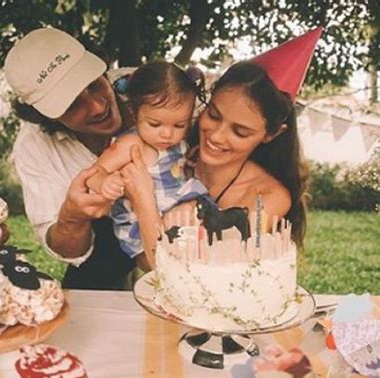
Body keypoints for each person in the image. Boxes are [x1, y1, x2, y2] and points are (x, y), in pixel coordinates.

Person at [121, 28, 323, 270]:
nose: (216, 136)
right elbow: (139, 258)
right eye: (214, 115)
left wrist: (143, 197)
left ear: (271, 134)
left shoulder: (268, 200)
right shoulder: (171, 153)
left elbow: (179, 271)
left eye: (239, 132)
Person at [4, 27, 138, 289]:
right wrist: (72, 217)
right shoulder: (33, 146)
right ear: (44, 116)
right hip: (106, 246)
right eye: (72, 104)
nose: (98, 106)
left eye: (94, 84)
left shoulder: (145, 87)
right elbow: (65, 248)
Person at [85, 60, 207, 259]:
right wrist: (104, 182)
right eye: (155, 124)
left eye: (179, 125)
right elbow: (93, 173)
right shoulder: (130, 144)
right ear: (135, 113)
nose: (167, 134)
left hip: (177, 215)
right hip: (140, 226)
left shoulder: (179, 143)